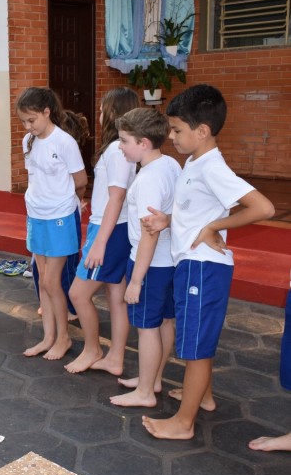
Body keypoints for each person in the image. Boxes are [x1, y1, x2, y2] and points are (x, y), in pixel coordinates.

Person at [142, 84, 275, 440]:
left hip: (202, 266)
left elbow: (263, 208)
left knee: (196, 351)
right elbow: (195, 207)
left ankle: (183, 424)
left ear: (202, 131)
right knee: (197, 340)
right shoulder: (194, 162)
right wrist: (167, 220)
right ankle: (205, 397)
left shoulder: (212, 168)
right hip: (193, 264)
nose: (171, 137)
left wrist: (215, 225)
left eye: (177, 130)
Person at [108, 108, 180, 407]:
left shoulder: (149, 178)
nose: (120, 146)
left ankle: (145, 393)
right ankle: (153, 379)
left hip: (150, 264)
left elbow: (150, 232)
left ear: (144, 143)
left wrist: (136, 280)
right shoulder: (171, 164)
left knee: (147, 327)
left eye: (124, 141)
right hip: (168, 261)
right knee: (164, 322)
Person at [66, 88, 139, 375]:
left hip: (108, 230)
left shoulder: (116, 151)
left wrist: (99, 244)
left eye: (101, 109)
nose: (98, 114)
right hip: (115, 227)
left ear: (111, 113)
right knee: (115, 297)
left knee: (78, 294)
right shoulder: (119, 149)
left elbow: (117, 197)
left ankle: (93, 348)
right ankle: (115, 358)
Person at [17, 87, 88, 360]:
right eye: (23, 121)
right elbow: (35, 178)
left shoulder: (65, 142)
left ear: (47, 112)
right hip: (36, 215)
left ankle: (64, 338)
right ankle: (48, 337)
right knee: (42, 281)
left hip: (59, 216)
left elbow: (80, 181)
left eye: (32, 120)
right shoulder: (28, 141)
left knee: (51, 281)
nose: (27, 126)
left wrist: (71, 202)